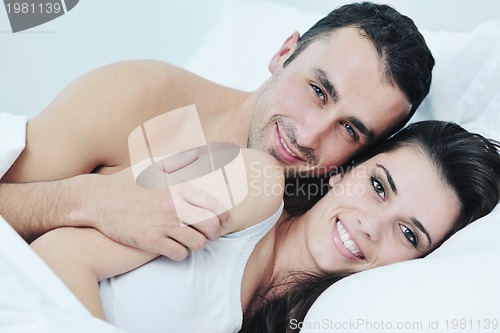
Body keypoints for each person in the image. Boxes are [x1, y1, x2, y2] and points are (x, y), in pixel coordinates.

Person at [0, 2, 435, 259]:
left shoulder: (324, 228)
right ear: (284, 53)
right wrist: (87, 200)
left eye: (350, 130)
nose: (308, 137)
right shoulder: (139, 97)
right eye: (318, 90)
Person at [31, 121, 500, 333]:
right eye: (378, 186)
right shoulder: (253, 183)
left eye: (409, 234)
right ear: (345, 170)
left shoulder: (309, 321)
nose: (371, 226)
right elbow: (58, 255)